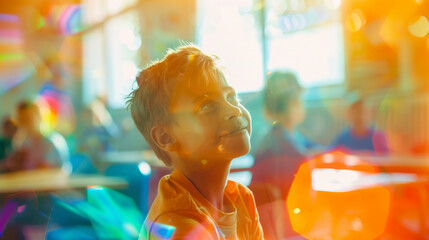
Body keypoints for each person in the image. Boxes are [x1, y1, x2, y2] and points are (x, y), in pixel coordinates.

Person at [127, 44, 264, 239]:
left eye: (231, 96)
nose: (234, 110)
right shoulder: (179, 225)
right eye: (207, 106)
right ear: (167, 137)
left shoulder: (241, 198)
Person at [249, 71, 314, 239]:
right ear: (293, 104)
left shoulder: (272, 137)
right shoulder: (285, 147)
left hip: (266, 226)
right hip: (285, 229)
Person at [4, 100, 70, 172]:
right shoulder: (26, 142)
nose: (24, 123)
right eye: (21, 119)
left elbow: (41, 173)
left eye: (28, 118)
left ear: (40, 116)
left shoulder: (51, 142)